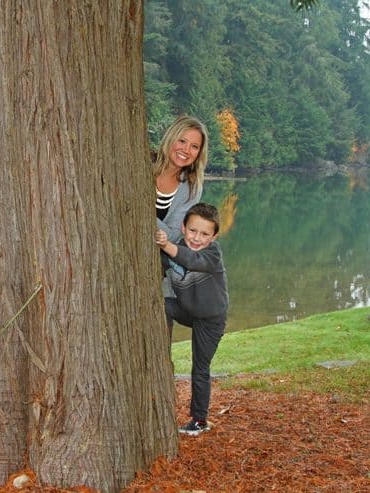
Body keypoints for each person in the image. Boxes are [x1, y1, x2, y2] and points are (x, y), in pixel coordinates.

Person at [155, 203, 228, 436]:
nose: (197, 238)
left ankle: (199, 421)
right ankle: (159, 351)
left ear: (214, 236)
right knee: (160, 305)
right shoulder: (173, 250)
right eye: (193, 231)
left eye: (205, 234)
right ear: (183, 227)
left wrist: (166, 245)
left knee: (200, 368)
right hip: (186, 310)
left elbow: (192, 261)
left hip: (210, 319)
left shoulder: (212, 254)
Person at [154, 115, 209, 299]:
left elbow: (174, 234)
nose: (186, 150)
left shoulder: (192, 187)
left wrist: (141, 214)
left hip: (155, 269)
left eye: (194, 146)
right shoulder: (142, 165)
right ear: (171, 138)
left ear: (199, 153)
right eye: (182, 141)